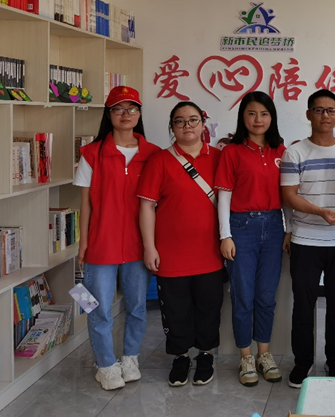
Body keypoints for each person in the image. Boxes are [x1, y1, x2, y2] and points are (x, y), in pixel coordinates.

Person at [73, 86, 161, 390]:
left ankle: (130, 358)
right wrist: (83, 242)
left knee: (137, 306)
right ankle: (106, 364)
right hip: (102, 242)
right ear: (108, 114)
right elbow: (85, 203)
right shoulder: (92, 153)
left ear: (139, 114)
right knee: (98, 307)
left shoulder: (154, 154)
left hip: (139, 243)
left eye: (132, 108)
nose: (126, 114)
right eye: (119, 109)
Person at [280, 89, 335, 388]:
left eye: (331, 110)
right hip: (306, 241)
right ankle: (302, 362)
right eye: (318, 110)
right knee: (303, 305)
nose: (325, 116)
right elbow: (289, 196)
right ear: (308, 114)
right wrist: (319, 212)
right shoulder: (294, 153)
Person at [138, 101, 224, 387]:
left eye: (193, 120)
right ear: (172, 127)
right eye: (180, 121)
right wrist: (149, 247)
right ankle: (181, 357)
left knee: (209, 306)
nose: (187, 125)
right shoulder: (160, 161)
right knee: (176, 309)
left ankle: (206, 355)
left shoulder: (220, 158)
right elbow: (147, 206)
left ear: (203, 124)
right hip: (171, 253)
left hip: (211, 251)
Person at [213, 91, 287, 387]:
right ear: (243, 117)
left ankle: (264, 354)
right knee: (242, 296)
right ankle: (245, 356)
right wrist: (225, 235)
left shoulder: (280, 150)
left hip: (274, 226)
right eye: (252, 113)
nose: (258, 119)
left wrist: (289, 230)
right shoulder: (232, 152)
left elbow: (288, 194)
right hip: (241, 227)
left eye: (264, 114)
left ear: (272, 117)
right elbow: (224, 196)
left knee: (266, 296)